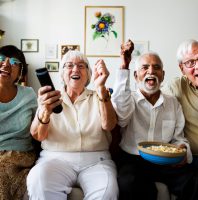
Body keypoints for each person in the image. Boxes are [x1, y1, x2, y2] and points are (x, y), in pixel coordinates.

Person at [27, 50, 119, 200]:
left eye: (81, 66)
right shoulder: (49, 98)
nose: (75, 69)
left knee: (106, 192)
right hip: (54, 158)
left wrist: (101, 89)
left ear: (89, 74)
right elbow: (38, 135)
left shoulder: (100, 96)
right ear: (62, 74)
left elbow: (109, 125)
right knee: (38, 181)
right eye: (69, 66)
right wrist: (45, 112)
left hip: (96, 160)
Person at [111, 39, 193, 200]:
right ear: (135, 76)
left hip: (165, 161)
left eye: (157, 68)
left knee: (194, 180)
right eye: (145, 67)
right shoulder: (129, 99)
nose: (151, 71)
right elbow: (120, 116)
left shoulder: (173, 103)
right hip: (133, 160)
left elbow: (178, 138)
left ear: (163, 75)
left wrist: (183, 150)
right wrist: (124, 66)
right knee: (129, 183)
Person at [162, 39, 198, 199]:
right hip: (192, 160)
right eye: (190, 63)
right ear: (182, 68)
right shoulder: (175, 88)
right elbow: (152, 105)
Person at [0, 45, 37, 200]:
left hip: (22, 154)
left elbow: (39, 127)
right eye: (1, 59)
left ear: (21, 72)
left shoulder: (29, 95)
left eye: (14, 62)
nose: (6, 64)